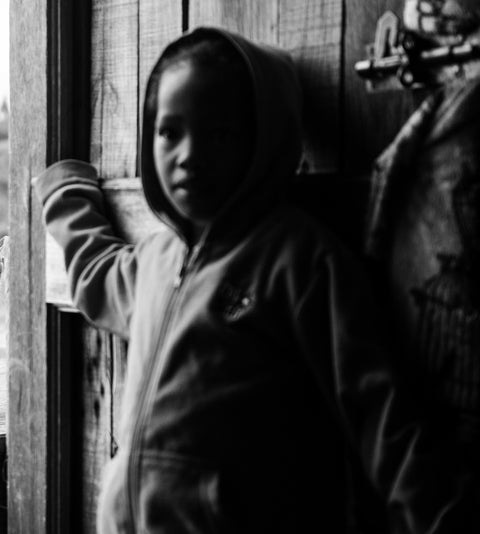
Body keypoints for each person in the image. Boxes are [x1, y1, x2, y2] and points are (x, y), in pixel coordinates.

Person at [32, 27, 478, 533]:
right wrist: (66, 195)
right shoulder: (155, 259)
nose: (188, 154)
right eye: (169, 131)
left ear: (262, 138)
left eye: (218, 133)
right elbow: (98, 276)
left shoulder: (299, 260)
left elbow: (377, 410)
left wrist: (437, 517)